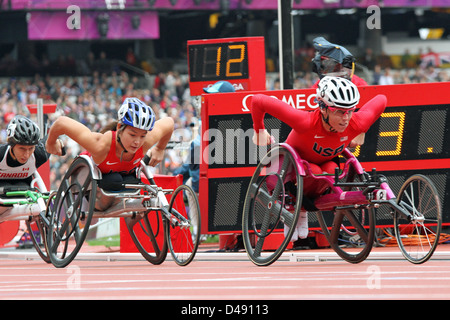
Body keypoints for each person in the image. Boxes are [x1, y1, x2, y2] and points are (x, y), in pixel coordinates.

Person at [251, 76, 387, 240]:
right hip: (286, 169)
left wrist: (362, 131)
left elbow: (382, 99)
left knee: (330, 169)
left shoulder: (357, 122)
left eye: (350, 111)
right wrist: (259, 130)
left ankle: (302, 211)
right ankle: (295, 210)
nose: (346, 118)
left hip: (321, 170)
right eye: (339, 112)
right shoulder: (305, 122)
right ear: (323, 108)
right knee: (314, 169)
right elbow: (258, 100)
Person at [46, 97, 174, 209]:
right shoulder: (100, 145)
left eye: (142, 136)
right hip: (90, 184)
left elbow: (169, 122)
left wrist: (160, 148)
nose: (137, 141)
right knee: (114, 180)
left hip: (121, 179)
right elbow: (61, 122)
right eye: (132, 134)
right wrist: (51, 143)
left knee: (132, 181)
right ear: (119, 128)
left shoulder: (146, 141)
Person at [0, 115, 54, 187]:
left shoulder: (40, 154)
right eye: (22, 148)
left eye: (31, 148)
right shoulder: (1, 153)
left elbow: (55, 133)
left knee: (22, 186)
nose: (27, 154)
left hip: (25, 187)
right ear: (11, 145)